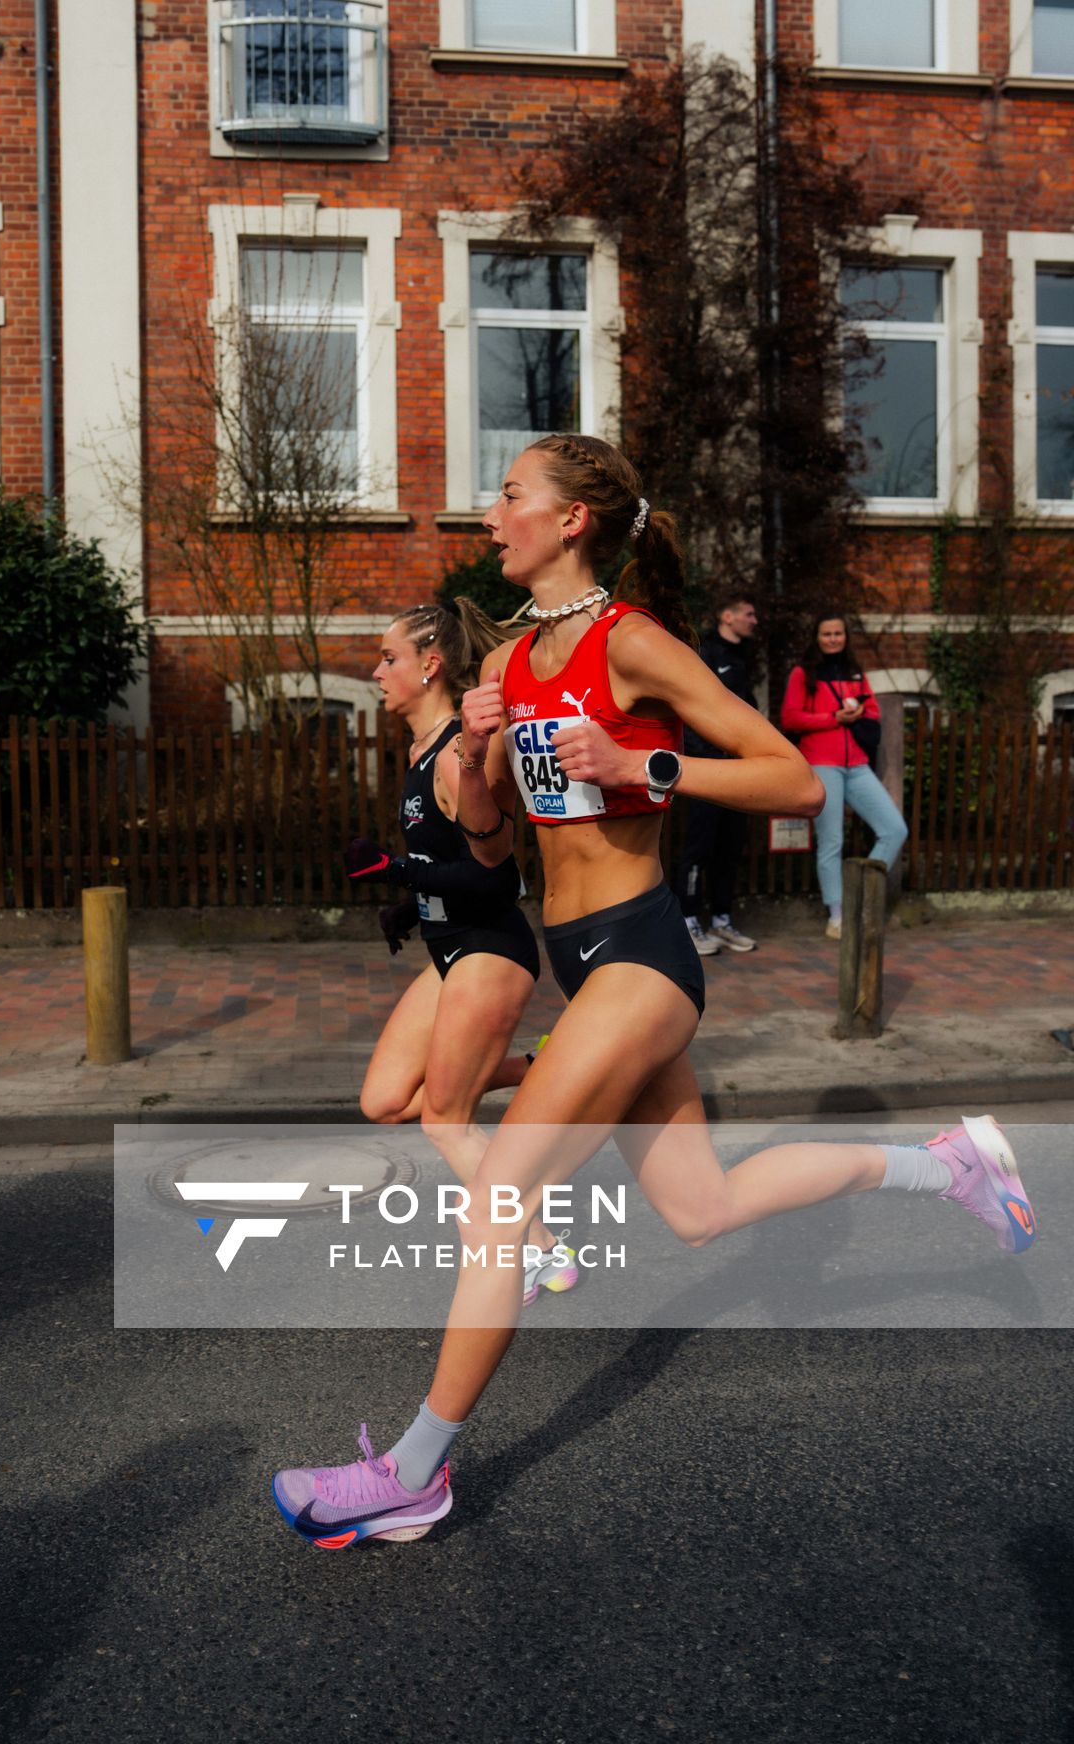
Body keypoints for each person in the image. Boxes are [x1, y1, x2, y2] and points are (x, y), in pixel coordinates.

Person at [271, 436, 1037, 1550]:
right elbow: (491, 848)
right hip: (576, 949)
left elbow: (789, 779)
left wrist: (647, 770)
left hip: (640, 954)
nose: (491, 514)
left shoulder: (628, 642)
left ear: (571, 519)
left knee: (500, 1201)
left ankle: (412, 1472)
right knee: (700, 1209)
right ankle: (947, 1165)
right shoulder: (508, 667)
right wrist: (480, 761)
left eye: (511, 494)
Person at [344, 599, 578, 1310]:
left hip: (489, 952)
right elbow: (446, 862)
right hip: (450, 950)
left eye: (389, 658)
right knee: (385, 1101)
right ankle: (538, 1066)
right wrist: (412, 906)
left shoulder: (455, 754)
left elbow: (498, 876)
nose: (378, 671)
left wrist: (396, 870)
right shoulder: (419, 750)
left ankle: (545, 1252)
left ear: (429, 665)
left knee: (444, 1120)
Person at [780, 612, 908, 940]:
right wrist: (833, 718)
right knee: (832, 841)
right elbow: (791, 718)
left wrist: (860, 714)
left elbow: (874, 713)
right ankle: (837, 916)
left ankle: (862, 896)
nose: (834, 639)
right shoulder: (802, 673)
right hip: (822, 764)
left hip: (858, 765)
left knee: (895, 830)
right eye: (827, 634)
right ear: (817, 637)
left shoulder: (855, 673)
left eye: (838, 633)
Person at [676, 593, 760, 956]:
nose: (754, 620)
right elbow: (690, 710)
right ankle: (688, 920)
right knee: (699, 845)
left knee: (730, 846)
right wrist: (707, 757)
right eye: (748, 612)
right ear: (727, 616)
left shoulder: (744, 656)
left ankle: (722, 920)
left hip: (740, 770)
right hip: (710, 769)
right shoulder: (704, 653)